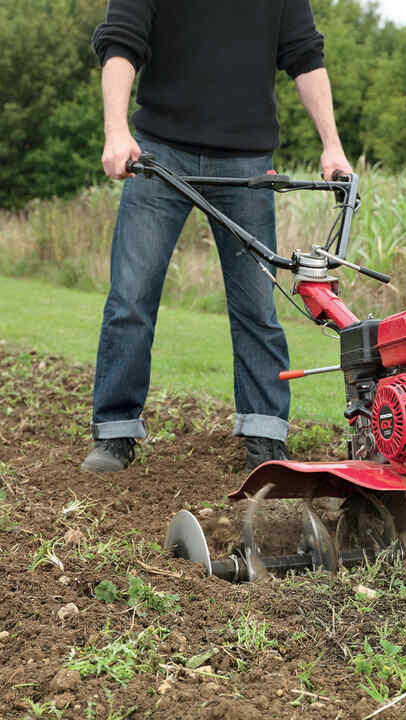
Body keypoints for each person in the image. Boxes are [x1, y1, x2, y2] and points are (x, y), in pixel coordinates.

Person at [81, 0, 351, 473]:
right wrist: (116, 130)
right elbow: (120, 40)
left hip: (247, 163)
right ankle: (115, 432)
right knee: (131, 298)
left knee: (255, 306)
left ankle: (265, 432)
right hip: (158, 154)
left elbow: (305, 55)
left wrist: (332, 145)